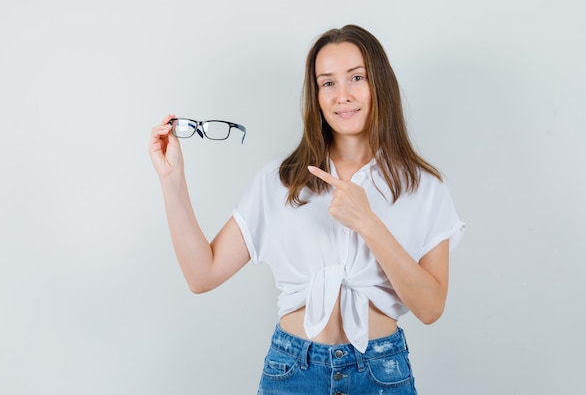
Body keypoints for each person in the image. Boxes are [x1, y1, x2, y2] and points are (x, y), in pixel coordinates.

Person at [149, 24, 465, 395]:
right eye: (327, 83)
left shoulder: (423, 186)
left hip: (381, 372)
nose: (342, 96)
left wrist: (368, 222)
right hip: (293, 371)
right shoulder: (280, 181)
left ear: (380, 84)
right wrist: (173, 182)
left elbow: (430, 308)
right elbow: (202, 275)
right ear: (315, 95)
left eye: (356, 77)